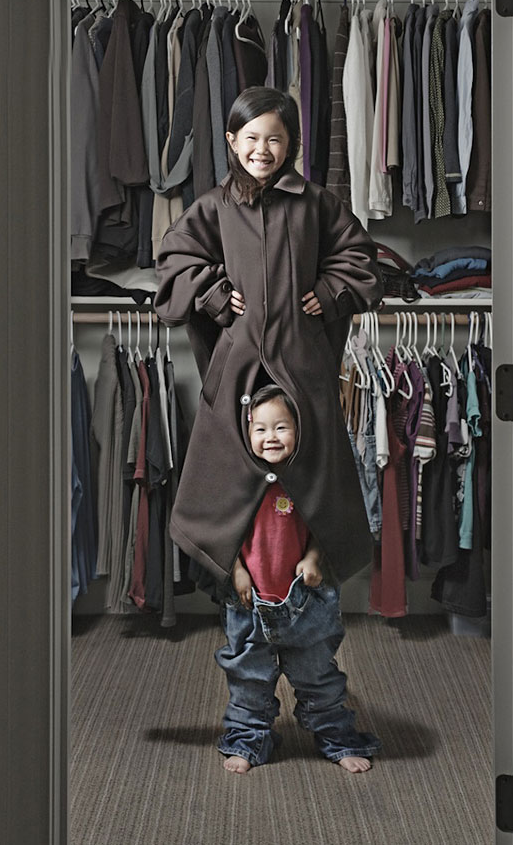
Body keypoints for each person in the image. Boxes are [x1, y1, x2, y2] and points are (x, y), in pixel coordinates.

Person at [153, 85, 384, 762]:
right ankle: (242, 613)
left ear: (292, 144)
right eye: (249, 138)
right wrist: (213, 291)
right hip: (238, 372)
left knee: (311, 478)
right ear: (230, 142)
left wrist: (332, 291)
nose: (262, 149)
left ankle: (313, 607)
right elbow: (173, 265)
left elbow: (358, 260)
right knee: (230, 485)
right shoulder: (211, 207)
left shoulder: (317, 204)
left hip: (306, 370)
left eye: (275, 139)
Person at [217, 384, 381, 773]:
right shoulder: (240, 482)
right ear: (247, 434)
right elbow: (223, 534)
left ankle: (338, 740)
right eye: (260, 429)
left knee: (319, 677)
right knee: (248, 680)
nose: (270, 437)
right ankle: (247, 740)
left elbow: (328, 527)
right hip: (250, 603)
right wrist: (237, 571)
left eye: (281, 427)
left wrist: (312, 557)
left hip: (305, 601)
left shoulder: (308, 479)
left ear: (298, 430)